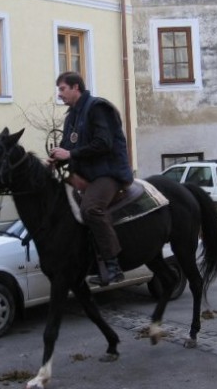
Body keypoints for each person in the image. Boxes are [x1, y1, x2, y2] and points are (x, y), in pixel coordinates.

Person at [47, 71, 133, 285]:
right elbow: (69, 147)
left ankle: (113, 266)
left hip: (108, 173)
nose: (60, 94)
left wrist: (70, 154)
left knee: (90, 209)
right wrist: (54, 160)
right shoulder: (72, 116)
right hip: (84, 175)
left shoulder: (97, 108)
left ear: (76, 87)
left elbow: (104, 143)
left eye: (62, 89)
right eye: (59, 90)